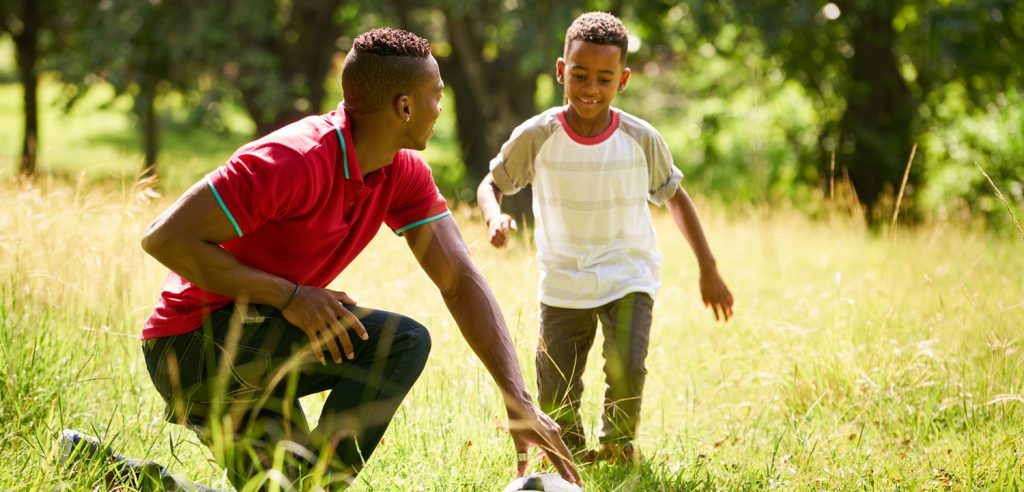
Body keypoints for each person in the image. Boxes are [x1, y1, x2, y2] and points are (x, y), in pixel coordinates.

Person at [136, 28, 580, 489]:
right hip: (193, 345)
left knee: (287, 488)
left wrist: (517, 397)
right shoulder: (294, 160)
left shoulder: (400, 173)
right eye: (436, 95)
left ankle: (122, 473)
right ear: (404, 107)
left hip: (258, 339)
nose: (440, 108)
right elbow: (164, 239)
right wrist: (289, 296)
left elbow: (459, 279)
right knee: (402, 342)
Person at [477, 12, 734, 464]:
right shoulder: (538, 135)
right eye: (579, 75)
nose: (590, 88)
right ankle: (569, 453)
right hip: (563, 282)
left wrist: (708, 268)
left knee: (628, 369)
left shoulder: (640, 138)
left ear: (623, 79)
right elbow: (491, 183)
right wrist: (494, 216)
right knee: (555, 386)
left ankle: (617, 447)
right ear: (561, 70)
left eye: (604, 78)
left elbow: (675, 198)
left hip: (628, 274)